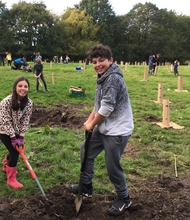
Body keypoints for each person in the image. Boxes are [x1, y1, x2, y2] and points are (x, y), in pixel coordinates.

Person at [65, 44, 134, 216]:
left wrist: (93, 124)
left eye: (101, 60)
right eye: (94, 62)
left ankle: (124, 198)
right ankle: (86, 186)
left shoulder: (113, 79)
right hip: (104, 127)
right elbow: (99, 105)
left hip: (117, 130)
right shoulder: (102, 77)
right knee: (85, 150)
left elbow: (107, 108)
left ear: (111, 60)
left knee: (112, 167)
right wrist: (90, 121)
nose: (98, 64)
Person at [0, 76, 33, 189]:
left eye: (26, 86)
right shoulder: (6, 102)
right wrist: (12, 137)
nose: (23, 89)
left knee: (13, 150)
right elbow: (6, 121)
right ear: (15, 87)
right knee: (15, 152)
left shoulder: (29, 103)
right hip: (2, 129)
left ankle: (6, 165)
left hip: (16, 129)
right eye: (20, 86)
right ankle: (11, 179)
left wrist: (21, 136)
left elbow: (25, 120)